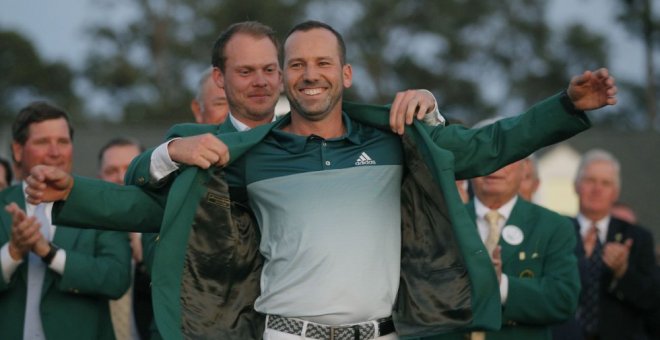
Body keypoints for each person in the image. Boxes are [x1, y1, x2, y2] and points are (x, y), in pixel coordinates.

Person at [26, 20, 616, 340]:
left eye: (323, 62)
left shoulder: (394, 139)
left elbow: (490, 146)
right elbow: (152, 211)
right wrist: (73, 192)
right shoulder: (254, 154)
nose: (311, 75)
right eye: (298, 65)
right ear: (285, 78)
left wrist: (565, 103)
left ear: (347, 73)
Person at [0, 102, 132, 339]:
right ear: (18, 150)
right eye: (42, 142)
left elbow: (116, 279)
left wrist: (50, 254)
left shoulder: (100, 203)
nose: (55, 152)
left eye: (63, 142)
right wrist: (13, 252)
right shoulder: (2, 204)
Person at [422, 153, 580, 340]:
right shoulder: (438, 222)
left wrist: (502, 286)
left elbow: (563, 299)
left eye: (507, 157)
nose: (495, 165)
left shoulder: (553, 226)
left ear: (524, 169)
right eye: (487, 155)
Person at [568, 149, 657, 339]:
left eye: (605, 183)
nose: (597, 189)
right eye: (590, 181)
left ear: (615, 193)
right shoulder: (557, 231)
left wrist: (622, 272)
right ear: (576, 186)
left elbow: (651, 299)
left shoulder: (637, 238)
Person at [98, 137, 154, 340]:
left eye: (130, 168)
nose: (121, 177)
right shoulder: (83, 231)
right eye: (111, 171)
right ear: (99, 178)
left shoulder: (166, 227)